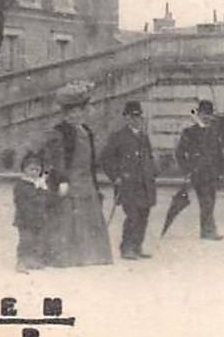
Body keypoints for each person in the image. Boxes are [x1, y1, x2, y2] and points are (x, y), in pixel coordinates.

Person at [41, 83, 113, 268]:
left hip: (86, 182)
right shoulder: (59, 132)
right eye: (71, 112)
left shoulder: (86, 131)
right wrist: (62, 180)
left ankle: (90, 255)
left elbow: (90, 161)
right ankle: (65, 257)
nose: (76, 115)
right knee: (66, 220)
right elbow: (57, 159)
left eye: (79, 111)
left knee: (88, 219)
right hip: (69, 181)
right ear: (65, 114)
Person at [100, 101, 159, 261]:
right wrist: (116, 177)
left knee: (143, 216)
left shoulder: (144, 137)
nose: (135, 120)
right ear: (126, 118)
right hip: (128, 185)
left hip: (145, 184)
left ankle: (137, 246)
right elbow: (106, 159)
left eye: (138, 116)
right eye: (132, 116)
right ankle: (126, 248)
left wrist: (153, 171)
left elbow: (149, 157)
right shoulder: (118, 137)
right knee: (132, 216)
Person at [176, 100, 224, 240]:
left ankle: (206, 230)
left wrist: (221, 173)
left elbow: (219, 154)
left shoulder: (213, 132)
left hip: (213, 174)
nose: (206, 117)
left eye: (209, 115)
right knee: (206, 202)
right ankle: (209, 231)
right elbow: (180, 153)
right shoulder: (190, 132)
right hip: (198, 174)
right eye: (203, 114)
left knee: (210, 202)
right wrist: (187, 169)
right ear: (198, 114)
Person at [12, 151, 53, 272]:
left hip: (39, 217)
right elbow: (21, 201)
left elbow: (48, 199)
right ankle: (21, 262)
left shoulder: (41, 184)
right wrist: (37, 190)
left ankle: (33, 260)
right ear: (24, 170)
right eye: (31, 169)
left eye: (37, 169)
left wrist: (44, 190)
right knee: (26, 240)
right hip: (25, 218)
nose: (34, 172)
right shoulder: (21, 184)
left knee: (38, 240)